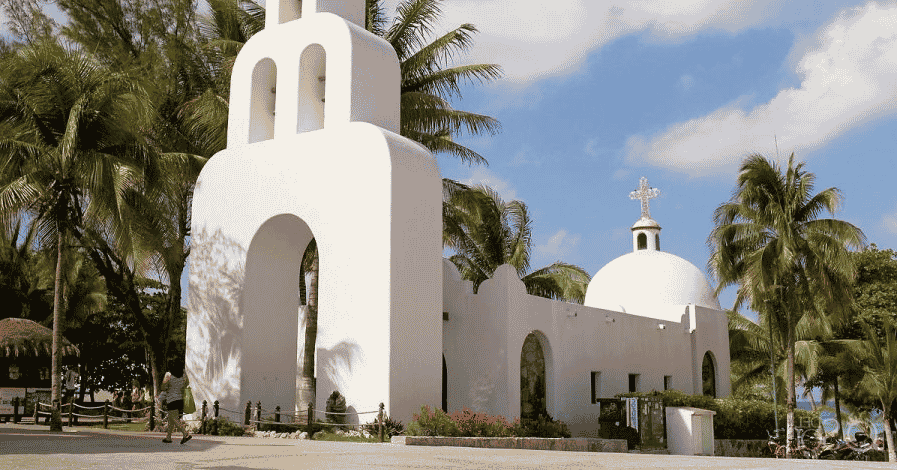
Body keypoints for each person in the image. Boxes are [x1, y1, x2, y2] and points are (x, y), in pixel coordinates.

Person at [158, 365, 192, 444]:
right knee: (171, 418)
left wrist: (169, 386)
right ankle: (168, 437)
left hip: (171, 399)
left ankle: (185, 433)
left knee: (174, 419)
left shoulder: (168, 374)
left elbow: (163, 387)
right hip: (180, 398)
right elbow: (187, 382)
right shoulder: (183, 372)